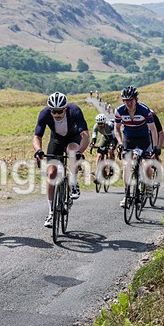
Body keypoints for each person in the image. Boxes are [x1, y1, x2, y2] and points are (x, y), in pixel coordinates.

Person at [33, 92, 90, 227]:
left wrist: (80, 152)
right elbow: (37, 136)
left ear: (65, 109)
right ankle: (51, 212)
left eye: (59, 111)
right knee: (51, 173)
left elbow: (85, 135)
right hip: (56, 140)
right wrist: (38, 150)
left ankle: (74, 183)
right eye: (54, 112)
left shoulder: (74, 111)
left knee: (72, 153)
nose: (57, 115)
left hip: (73, 138)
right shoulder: (44, 113)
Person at [114, 86, 159, 208]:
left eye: (131, 100)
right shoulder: (119, 111)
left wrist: (155, 146)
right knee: (126, 165)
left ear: (136, 99)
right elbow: (117, 129)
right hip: (128, 139)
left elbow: (153, 130)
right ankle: (127, 194)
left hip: (144, 139)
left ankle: (148, 185)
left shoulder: (144, 110)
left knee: (146, 164)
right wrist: (120, 143)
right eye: (125, 100)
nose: (128, 103)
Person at [89, 113, 117, 183]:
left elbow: (114, 137)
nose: (100, 125)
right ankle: (98, 173)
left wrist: (112, 146)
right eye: (99, 123)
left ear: (104, 122)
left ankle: (111, 167)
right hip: (104, 137)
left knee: (110, 151)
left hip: (112, 138)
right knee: (99, 155)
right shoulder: (96, 126)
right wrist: (92, 143)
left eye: (101, 123)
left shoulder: (110, 125)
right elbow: (94, 136)